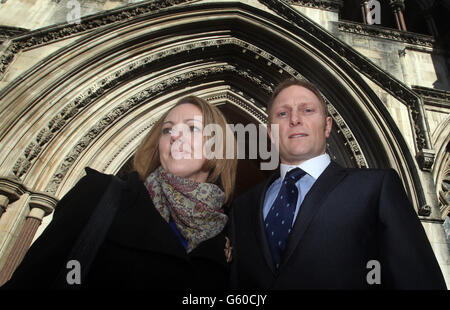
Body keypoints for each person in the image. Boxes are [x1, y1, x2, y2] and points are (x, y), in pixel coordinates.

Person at [229, 79, 447, 289]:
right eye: (282, 114)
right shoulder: (242, 207)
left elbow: (417, 280)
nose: (294, 119)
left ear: (327, 126)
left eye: (307, 110)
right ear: (271, 133)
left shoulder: (375, 188)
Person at [2, 95, 237, 289]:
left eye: (192, 128)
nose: (175, 136)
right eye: (167, 131)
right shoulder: (102, 195)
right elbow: (30, 282)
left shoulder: (225, 233)